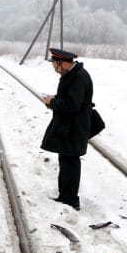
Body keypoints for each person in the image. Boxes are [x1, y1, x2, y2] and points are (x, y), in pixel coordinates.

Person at [41, 48, 93, 211]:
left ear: (62, 63)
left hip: (74, 128)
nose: (55, 70)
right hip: (69, 128)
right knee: (66, 161)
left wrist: (52, 102)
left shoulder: (77, 78)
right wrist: (55, 100)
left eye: (55, 66)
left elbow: (72, 105)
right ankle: (65, 196)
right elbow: (71, 100)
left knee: (70, 163)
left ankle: (70, 199)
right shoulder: (72, 75)